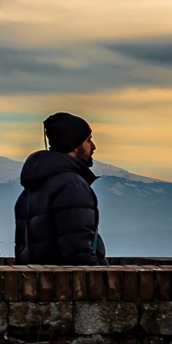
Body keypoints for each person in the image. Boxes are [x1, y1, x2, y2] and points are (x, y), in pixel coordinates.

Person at [14, 112, 108, 265]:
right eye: (88, 140)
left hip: (38, 283)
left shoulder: (33, 186)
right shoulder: (71, 186)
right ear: (75, 145)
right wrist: (98, 279)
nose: (93, 146)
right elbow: (78, 251)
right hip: (67, 285)